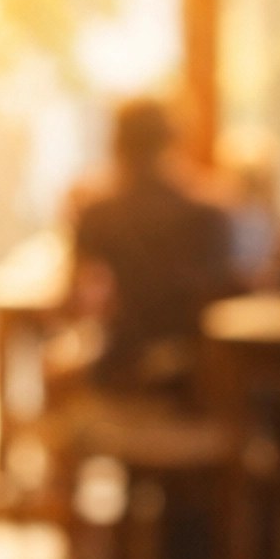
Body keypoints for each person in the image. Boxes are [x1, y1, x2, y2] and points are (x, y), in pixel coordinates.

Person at [67, 98, 240, 393]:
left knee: (59, 372)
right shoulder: (212, 211)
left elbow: (73, 300)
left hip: (124, 362)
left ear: (117, 144)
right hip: (200, 370)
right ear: (173, 140)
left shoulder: (99, 212)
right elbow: (228, 291)